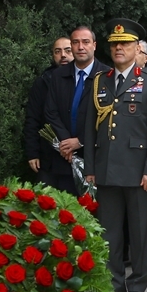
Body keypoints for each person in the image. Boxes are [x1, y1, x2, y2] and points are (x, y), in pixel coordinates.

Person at [84, 19, 147, 292]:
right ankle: (114, 283)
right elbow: (89, 129)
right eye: (115, 44)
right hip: (107, 169)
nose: (119, 48)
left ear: (137, 48)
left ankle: (137, 286)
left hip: (138, 171)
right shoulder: (99, 81)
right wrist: (91, 168)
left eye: (125, 44)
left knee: (141, 232)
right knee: (110, 231)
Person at [43, 28, 106, 194]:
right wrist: (66, 142)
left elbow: (107, 117)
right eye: (75, 42)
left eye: (85, 42)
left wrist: (81, 140)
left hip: (96, 159)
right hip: (64, 156)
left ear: (94, 45)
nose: (80, 47)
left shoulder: (107, 76)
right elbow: (51, 111)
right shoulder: (58, 75)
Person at [25, 36, 72, 184]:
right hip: (48, 159)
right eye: (57, 51)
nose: (63, 55)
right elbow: (32, 119)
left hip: (78, 156)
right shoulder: (43, 82)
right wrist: (32, 153)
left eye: (67, 50)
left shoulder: (87, 79)